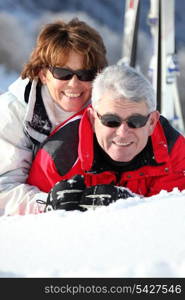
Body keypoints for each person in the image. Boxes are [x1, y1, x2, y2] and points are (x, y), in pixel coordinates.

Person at [27, 64, 185, 212]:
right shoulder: (59, 156)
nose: (123, 132)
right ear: (92, 119)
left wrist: (132, 205)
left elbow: (171, 224)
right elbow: (28, 226)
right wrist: (49, 208)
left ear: (151, 122)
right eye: (111, 121)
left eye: (135, 121)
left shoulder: (175, 152)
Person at [0, 18, 107, 215]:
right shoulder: (12, 113)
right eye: (62, 73)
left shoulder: (107, 111)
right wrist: (50, 204)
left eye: (85, 74)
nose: (74, 84)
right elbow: (3, 190)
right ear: (43, 74)